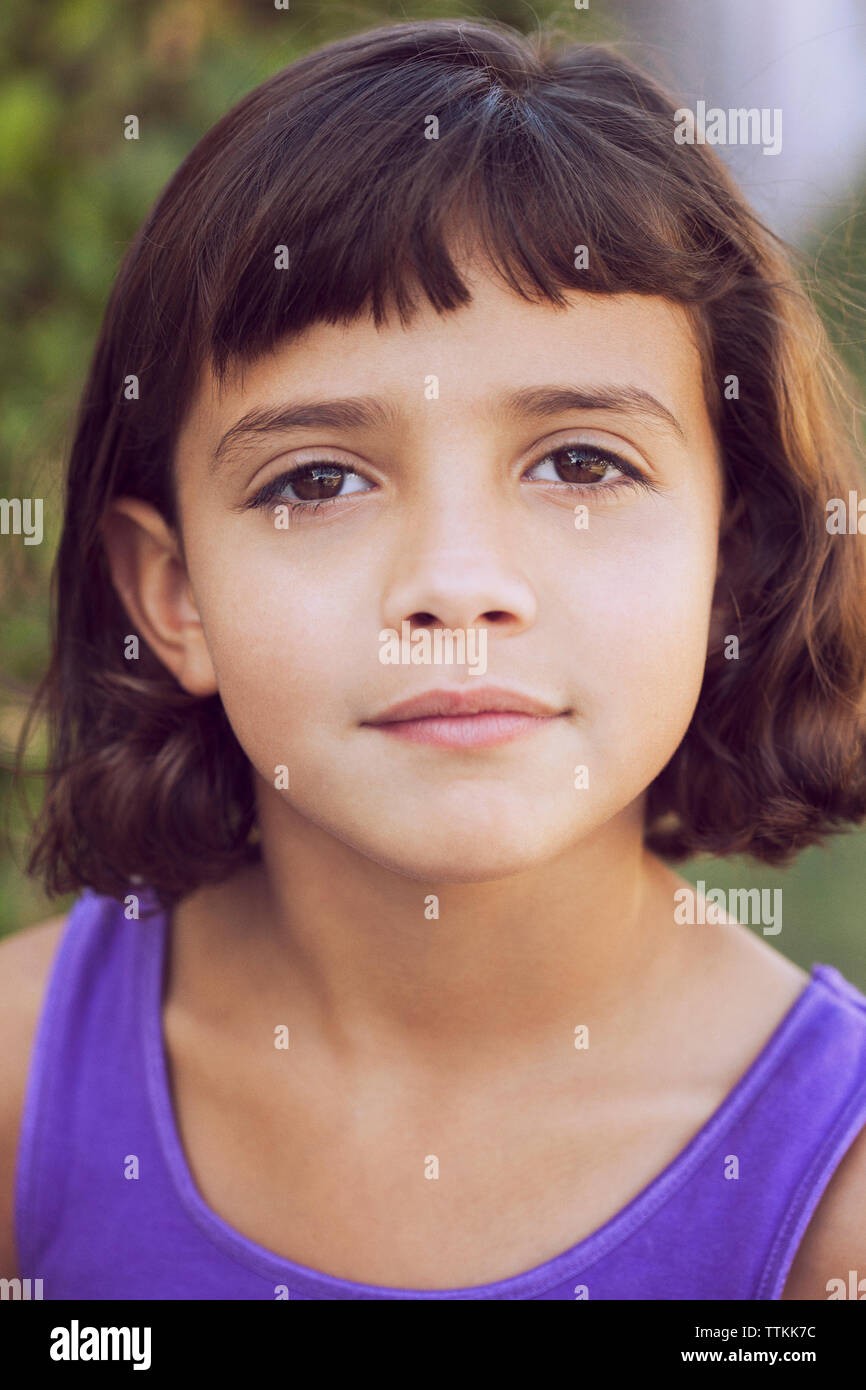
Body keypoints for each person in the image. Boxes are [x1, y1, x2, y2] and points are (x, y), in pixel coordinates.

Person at [2, 17, 866, 1301]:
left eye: (580, 462)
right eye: (317, 479)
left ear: (729, 566)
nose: (456, 583)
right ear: (173, 596)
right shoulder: (20, 1083)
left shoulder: (827, 1200)